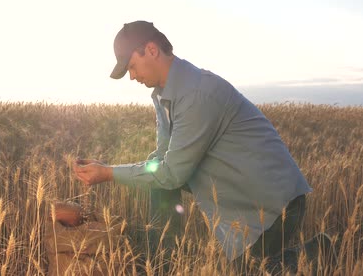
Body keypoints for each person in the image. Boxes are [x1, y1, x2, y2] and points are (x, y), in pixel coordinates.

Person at [73, 20, 336, 274]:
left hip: (274, 207)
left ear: (151, 50)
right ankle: (164, 263)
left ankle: (322, 252)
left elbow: (171, 173)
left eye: (132, 66)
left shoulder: (197, 94)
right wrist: (111, 169)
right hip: (243, 201)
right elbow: (162, 161)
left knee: (254, 272)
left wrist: (108, 173)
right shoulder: (164, 96)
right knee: (159, 181)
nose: (131, 77)